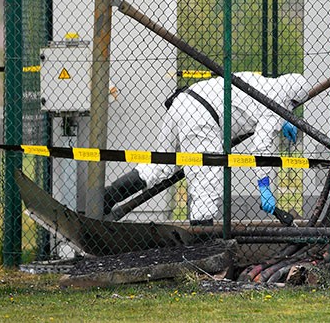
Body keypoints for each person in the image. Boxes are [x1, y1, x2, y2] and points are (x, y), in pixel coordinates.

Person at [104, 72, 309, 224]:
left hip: (182, 102)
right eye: (293, 105)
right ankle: (202, 244)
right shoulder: (273, 106)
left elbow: (246, 105)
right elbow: (262, 149)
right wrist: (265, 188)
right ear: (291, 99)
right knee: (207, 182)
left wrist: (282, 120)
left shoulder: (258, 80)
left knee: (161, 165)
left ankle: (105, 198)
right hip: (202, 119)